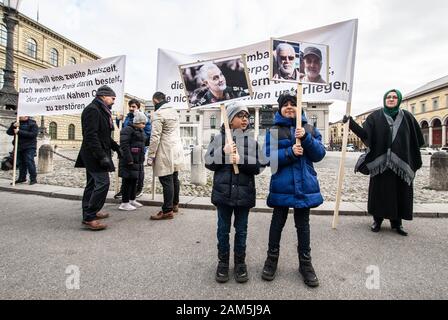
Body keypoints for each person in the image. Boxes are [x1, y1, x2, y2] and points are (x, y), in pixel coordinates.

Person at [261, 93, 326, 288]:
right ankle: (271, 260)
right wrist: (289, 152)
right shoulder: (273, 130)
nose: (289, 107)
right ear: (279, 109)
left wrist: (305, 138)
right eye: (285, 105)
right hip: (282, 185)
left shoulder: (309, 129)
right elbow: (267, 158)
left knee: (303, 226)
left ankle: (305, 264)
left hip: (304, 185)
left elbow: (319, 154)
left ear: (299, 108)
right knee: (277, 224)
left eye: (293, 104)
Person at [343, 89, 425, 236]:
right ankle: (377, 220)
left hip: (402, 164)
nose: (391, 99)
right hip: (380, 164)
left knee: (400, 193)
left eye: (394, 97)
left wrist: (407, 151)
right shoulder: (375, 117)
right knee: (379, 193)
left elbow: (416, 139)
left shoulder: (408, 117)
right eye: (388, 97)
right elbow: (365, 135)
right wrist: (351, 123)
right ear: (384, 99)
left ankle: (397, 223)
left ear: (399, 100)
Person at [205, 102, 263, 284]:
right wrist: (223, 153)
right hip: (223, 194)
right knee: (223, 230)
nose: (245, 119)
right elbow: (208, 162)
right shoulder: (217, 139)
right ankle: (223, 263)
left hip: (244, 195)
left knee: (242, 231)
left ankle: (240, 263)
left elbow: (259, 165)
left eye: (247, 116)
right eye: (240, 115)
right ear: (230, 120)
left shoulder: (251, 141)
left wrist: (241, 160)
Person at [75, 85, 121, 231]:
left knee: (92, 184)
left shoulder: (102, 110)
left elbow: (105, 136)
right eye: (112, 98)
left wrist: (116, 147)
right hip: (93, 155)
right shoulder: (92, 110)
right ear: (103, 96)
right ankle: (89, 217)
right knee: (103, 183)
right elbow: (91, 136)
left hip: (97, 153)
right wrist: (102, 156)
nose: (114, 101)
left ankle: (89, 212)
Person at [148, 92, 186, 220]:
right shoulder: (174, 111)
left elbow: (155, 137)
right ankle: (175, 204)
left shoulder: (158, 114)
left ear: (155, 100)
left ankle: (167, 210)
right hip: (176, 147)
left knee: (166, 179)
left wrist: (150, 155)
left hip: (165, 148)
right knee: (174, 177)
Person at [114, 99, 151, 200]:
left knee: (138, 170)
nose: (131, 108)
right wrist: (118, 120)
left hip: (138, 148)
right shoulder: (127, 118)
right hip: (128, 149)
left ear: (138, 107)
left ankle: (138, 189)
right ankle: (125, 191)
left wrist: (139, 140)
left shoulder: (143, 118)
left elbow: (147, 132)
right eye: (130, 106)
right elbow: (123, 130)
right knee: (127, 171)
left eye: (133, 106)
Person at [118, 111, 147, 211]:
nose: (144, 125)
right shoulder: (127, 130)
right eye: (142, 123)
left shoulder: (140, 131)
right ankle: (124, 202)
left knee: (134, 180)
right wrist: (129, 159)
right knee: (127, 181)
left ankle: (132, 199)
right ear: (137, 122)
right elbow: (124, 145)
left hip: (137, 160)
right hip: (129, 160)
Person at [6, 116, 39, 185]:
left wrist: (19, 131)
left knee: (29, 162)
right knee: (21, 163)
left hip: (29, 146)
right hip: (19, 146)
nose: (20, 116)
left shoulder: (32, 124)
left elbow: (33, 134)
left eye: (22, 115)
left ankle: (33, 179)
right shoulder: (16, 123)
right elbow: (9, 132)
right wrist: (13, 126)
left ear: (26, 116)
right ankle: (22, 178)